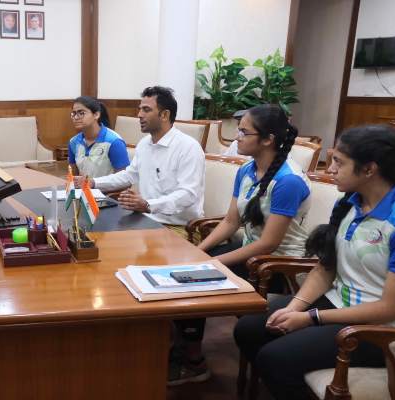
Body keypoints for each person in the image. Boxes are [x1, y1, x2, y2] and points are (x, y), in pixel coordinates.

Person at [234, 124, 395, 400]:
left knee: (277, 359)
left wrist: (311, 318)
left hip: (388, 330)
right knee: (249, 328)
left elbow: (392, 308)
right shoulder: (353, 202)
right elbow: (325, 268)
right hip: (341, 303)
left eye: (339, 162)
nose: (330, 169)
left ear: (369, 169)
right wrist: (295, 307)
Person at [168, 104, 310, 386]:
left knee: (194, 279)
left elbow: (269, 243)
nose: (237, 138)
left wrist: (213, 263)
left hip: (277, 266)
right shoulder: (247, 170)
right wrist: (198, 252)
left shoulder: (288, 181)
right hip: (249, 253)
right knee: (183, 268)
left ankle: (193, 361)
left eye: (244, 132)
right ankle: (183, 347)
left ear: (268, 139)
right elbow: (231, 221)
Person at [76, 86, 205, 234]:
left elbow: (188, 195)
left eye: (146, 110)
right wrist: (93, 182)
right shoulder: (144, 144)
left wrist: (148, 205)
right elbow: (128, 175)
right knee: (93, 232)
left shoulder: (188, 147)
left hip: (178, 227)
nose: (139, 115)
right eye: (140, 109)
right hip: (145, 219)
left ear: (164, 115)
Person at [68, 96, 130, 178]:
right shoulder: (73, 142)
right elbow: (74, 177)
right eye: (74, 113)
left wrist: (95, 184)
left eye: (81, 113)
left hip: (108, 187)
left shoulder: (114, 142)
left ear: (96, 115)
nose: (76, 117)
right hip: (84, 186)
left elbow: (124, 179)